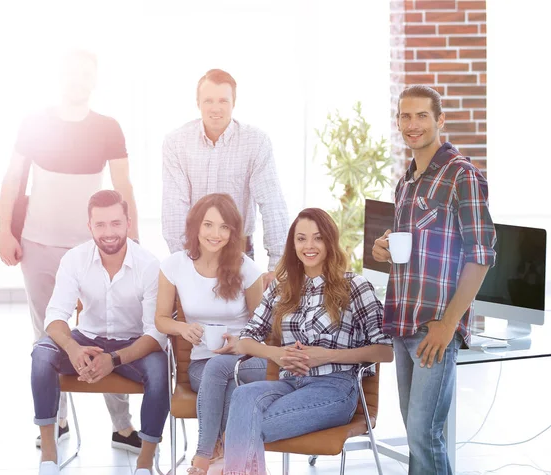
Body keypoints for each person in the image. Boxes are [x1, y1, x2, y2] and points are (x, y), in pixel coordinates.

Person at [0, 49, 142, 451]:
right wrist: (3, 231)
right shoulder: (35, 122)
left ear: (94, 79)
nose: (77, 80)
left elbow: (123, 188)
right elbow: (12, 179)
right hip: (38, 244)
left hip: (94, 248)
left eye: (85, 74)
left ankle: (122, 424)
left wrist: (134, 239)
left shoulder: (109, 127)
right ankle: (56, 419)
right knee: (46, 333)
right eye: (71, 73)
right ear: (59, 77)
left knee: (110, 329)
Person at [372, 85, 497, 475]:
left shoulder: (463, 175)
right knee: (416, 435)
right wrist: (384, 248)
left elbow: (482, 255)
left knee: (425, 436)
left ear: (440, 120)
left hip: (434, 327)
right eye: (405, 116)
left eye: (422, 115)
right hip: (404, 322)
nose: (413, 125)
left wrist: (449, 324)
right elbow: (418, 248)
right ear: (398, 122)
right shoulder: (407, 182)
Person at [221, 208, 393, 475]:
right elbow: (245, 340)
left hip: (335, 388)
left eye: (317, 238)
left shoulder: (356, 286)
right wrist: (276, 354)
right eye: (301, 239)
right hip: (289, 384)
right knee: (243, 396)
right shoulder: (281, 288)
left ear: (330, 241)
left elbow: (385, 351)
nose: (309, 246)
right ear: (293, 244)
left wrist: (326, 356)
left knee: (244, 425)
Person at [31, 190, 168, 475]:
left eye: (116, 223)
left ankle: (144, 464)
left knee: (160, 371)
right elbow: (55, 316)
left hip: (134, 344)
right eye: (101, 224)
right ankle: (49, 456)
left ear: (128, 223)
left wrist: (115, 359)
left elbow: (156, 334)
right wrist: (72, 347)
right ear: (89, 226)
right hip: (87, 339)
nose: (109, 232)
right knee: (41, 354)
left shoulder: (149, 265)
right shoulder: (75, 259)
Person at [154, 193, 267, 475]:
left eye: (224, 227)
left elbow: (265, 328)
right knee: (226, 382)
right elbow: (160, 319)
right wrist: (183, 327)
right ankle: (230, 457)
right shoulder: (174, 266)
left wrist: (239, 345)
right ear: (195, 226)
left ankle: (202, 460)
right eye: (208, 225)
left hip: (248, 360)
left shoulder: (247, 269)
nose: (215, 234)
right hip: (201, 362)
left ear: (233, 232)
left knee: (225, 371)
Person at [161, 68, 289, 289]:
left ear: (234, 103)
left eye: (223, 101)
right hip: (193, 253)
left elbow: (271, 203)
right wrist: (183, 263)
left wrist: (276, 266)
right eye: (208, 100)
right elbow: (174, 206)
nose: (216, 108)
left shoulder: (256, 142)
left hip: (240, 253)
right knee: (193, 322)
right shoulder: (176, 142)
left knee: (246, 322)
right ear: (197, 102)